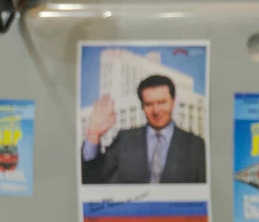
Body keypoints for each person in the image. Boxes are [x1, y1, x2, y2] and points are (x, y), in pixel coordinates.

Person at [80, 74, 208, 186]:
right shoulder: (124, 140)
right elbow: (94, 179)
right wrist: (93, 135)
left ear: (173, 102)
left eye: (162, 102)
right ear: (142, 106)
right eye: (149, 104)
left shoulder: (196, 145)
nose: (156, 111)